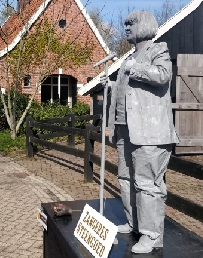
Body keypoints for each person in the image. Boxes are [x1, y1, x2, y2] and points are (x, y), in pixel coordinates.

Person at [106, 10, 179, 253]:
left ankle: (151, 235)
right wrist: (114, 85)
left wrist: (134, 68)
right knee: (126, 179)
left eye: (131, 23)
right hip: (125, 131)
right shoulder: (130, 55)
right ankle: (134, 222)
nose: (127, 28)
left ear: (145, 25)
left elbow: (164, 75)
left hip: (150, 133)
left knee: (148, 184)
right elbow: (129, 93)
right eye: (125, 23)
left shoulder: (158, 50)